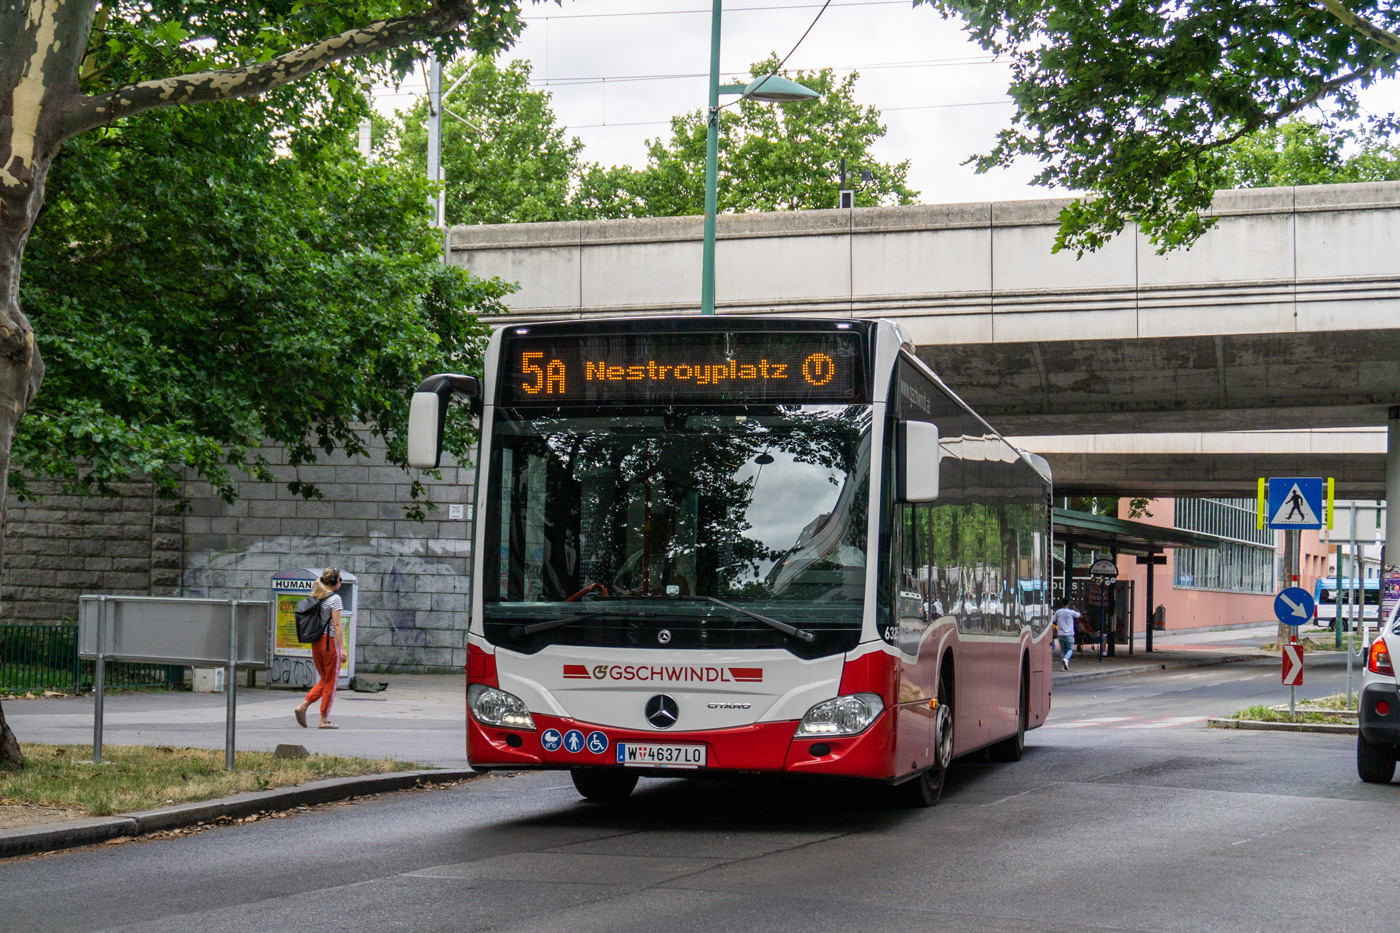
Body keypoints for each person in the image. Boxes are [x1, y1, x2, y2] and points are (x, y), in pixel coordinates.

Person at [294, 568, 346, 729]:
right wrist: (342, 648)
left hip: (316, 642)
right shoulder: (335, 599)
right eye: (340, 579)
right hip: (329, 643)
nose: (341, 582)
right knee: (331, 682)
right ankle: (323, 719)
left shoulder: (318, 596)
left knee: (324, 680)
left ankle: (303, 706)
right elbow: (337, 625)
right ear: (334, 581)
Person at [1052, 598, 1081, 671]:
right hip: (1069, 634)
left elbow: (1053, 620)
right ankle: (1066, 658)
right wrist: (1075, 609)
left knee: (1063, 650)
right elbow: (1080, 616)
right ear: (1068, 603)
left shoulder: (1058, 612)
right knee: (1070, 648)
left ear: (1062, 603)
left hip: (1061, 634)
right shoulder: (1071, 612)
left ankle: (1063, 666)